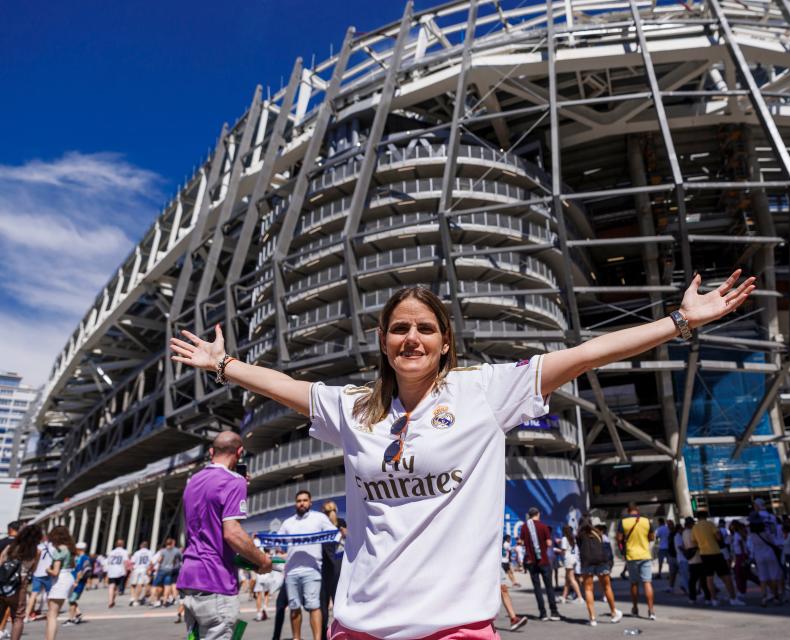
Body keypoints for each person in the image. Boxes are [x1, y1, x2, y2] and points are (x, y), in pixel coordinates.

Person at [169, 271, 754, 638]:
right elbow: (282, 387)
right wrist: (223, 365)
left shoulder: (484, 392)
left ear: (445, 340)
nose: (412, 338)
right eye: (400, 328)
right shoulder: (353, 407)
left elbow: (585, 354)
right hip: (360, 625)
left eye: (425, 327)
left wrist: (679, 321)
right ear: (383, 340)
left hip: (456, 627)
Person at [177, 431, 273, 640]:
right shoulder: (233, 481)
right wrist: (262, 560)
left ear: (212, 452)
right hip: (215, 580)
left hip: (189, 579)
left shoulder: (192, 481)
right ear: (239, 452)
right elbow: (232, 533)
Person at [277, 490, 335, 640]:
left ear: (310, 502)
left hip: (313, 569)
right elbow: (277, 541)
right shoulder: (288, 523)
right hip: (291, 571)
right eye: (299, 501)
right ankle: (297, 638)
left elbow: (333, 533)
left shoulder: (319, 518)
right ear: (295, 504)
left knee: (314, 606)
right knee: (294, 607)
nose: (301, 503)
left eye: (304, 500)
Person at [691, 512, 744, 606]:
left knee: (709, 578)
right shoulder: (710, 524)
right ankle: (733, 598)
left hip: (704, 554)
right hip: (715, 552)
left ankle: (714, 599)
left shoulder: (694, 528)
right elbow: (718, 536)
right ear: (706, 517)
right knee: (726, 576)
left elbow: (694, 542)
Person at [0, 524, 43, 640]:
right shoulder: (36, 551)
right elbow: (33, 570)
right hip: (20, 584)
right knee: (18, 617)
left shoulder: (11, 546)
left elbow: (1, 561)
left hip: (2, 582)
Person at [519, 507, 562, 621]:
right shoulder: (543, 526)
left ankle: (542, 613)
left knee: (537, 588)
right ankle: (554, 612)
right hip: (543, 560)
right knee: (549, 587)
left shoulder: (524, 527)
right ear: (538, 514)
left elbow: (521, 541)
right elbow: (548, 542)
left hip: (531, 562)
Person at [577, 519, 623, 625]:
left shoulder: (579, 535)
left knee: (588, 589)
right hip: (601, 561)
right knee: (607, 587)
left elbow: (578, 548)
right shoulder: (598, 533)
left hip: (587, 562)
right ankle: (613, 613)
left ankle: (592, 618)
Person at [618, 503, 654, 619]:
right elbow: (652, 537)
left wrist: (622, 549)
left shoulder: (623, 522)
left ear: (628, 511)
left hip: (631, 556)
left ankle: (635, 608)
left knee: (634, 583)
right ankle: (651, 611)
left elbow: (619, 539)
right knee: (647, 583)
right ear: (637, 510)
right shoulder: (646, 521)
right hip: (645, 555)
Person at [44, 526, 76, 640]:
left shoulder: (60, 550)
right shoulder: (69, 548)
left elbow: (55, 572)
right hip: (68, 577)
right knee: (53, 613)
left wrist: (48, 570)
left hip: (60, 580)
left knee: (52, 614)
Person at [320, 500, 345, 640]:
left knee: (324, 605)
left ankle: (325, 635)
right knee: (338, 603)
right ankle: (338, 634)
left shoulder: (325, 525)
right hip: (338, 566)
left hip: (328, 566)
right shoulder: (341, 523)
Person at [25, 534, 54, 621]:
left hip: (37, 573)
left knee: (33, 594)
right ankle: (52, 613)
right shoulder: (53, 547)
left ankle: (26, 616)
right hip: (48, 573)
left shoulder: (38, 547)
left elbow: (34, 560)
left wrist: (32, 569)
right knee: (49, 594)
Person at [151, 538, 182, 607]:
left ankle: (154, 600)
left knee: (156, 585)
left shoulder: (163, 551)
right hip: (170, 570)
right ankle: (165, 601)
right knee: (167, 585)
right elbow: (180, 559)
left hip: (162, 569)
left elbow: (159, 560)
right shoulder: (176, 551)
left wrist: (155, 567)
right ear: (172, 543)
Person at [558, 526, 583, 604]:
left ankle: (580, 597)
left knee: (571, 579)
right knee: (567, 579)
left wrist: (557, 550)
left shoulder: (564, 539)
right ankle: (564, 596)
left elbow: (563, 551)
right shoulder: (573, 538)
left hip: (568, 559)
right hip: (573, 559)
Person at [105, 539, 129, 608]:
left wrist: (107, 572)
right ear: (123, 544)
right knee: (117, 587)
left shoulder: (111, 552)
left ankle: (110, 601)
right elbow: (125, 562)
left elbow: (108, 562)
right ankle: (113, 600)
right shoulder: (124, 552)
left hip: (112, 571)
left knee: (111, 586)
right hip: (120, 571)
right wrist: (126, 571)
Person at [128, 541, 152, 606]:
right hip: (145, 569)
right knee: (142, 585)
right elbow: (151, 562)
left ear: (141, 546)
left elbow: (132, 562)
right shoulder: (149, 552)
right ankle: (138, 599)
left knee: (133, 584)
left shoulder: (137, 553)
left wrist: (131, 570)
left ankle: (133, 598)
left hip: (137, 569)